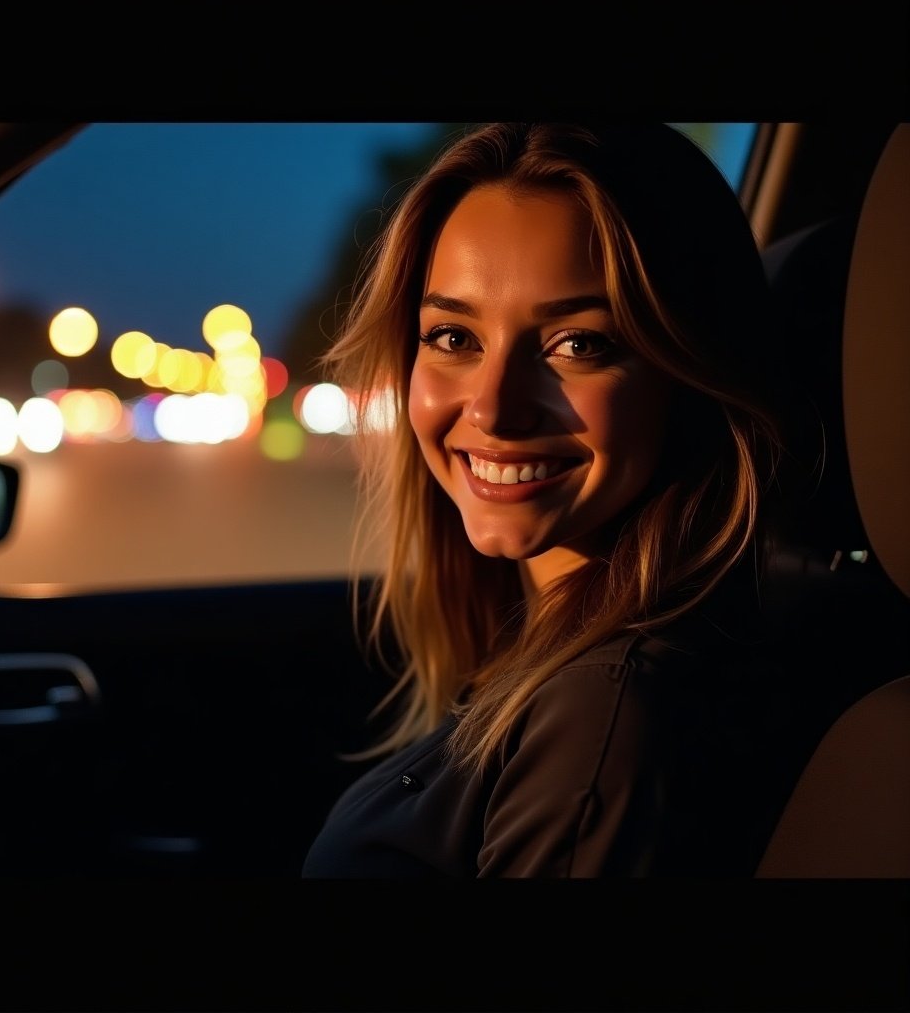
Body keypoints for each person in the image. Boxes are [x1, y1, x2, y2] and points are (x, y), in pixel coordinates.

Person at [301, 122, 790, 878]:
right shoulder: (554, 661)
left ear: (690, 377)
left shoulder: (606, 719)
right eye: (454, 337)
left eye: (578, 344)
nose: (494, 410)